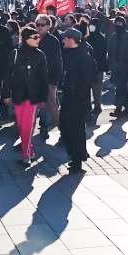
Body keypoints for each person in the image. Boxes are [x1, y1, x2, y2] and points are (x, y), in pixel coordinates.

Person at [4, 25, 49, 164]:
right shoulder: (15, 53)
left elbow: (44, 78)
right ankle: (30, 149)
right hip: (18, 95)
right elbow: (7, 76)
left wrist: (44, 97)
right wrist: (5, 94)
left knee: (28, 126)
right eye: (34, 37)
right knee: (21, 125)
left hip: (33, 96)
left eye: (38, 37)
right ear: (25, 39)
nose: (38, 39)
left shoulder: (40, 55)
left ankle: (26, 155)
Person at [58, 28, 95, 173]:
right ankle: (75, 154)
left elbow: (89, 78)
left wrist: (75, 87)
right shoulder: (66, 53)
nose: (62, 41)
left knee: (76, 130)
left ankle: (77, 160)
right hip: (68, 96)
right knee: (65, 126)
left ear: (71, 39)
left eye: (65, 38)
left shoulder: (84, 55)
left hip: (79, 98)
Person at [34, 15, 62, 133]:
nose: (40, 27)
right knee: (34, 106)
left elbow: (55, 61)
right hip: (35, 78)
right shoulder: (34, 38)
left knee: (51, 105)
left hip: (49, 78)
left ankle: (64, 131)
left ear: (48, 26)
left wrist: (55, 80)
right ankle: (29, 135)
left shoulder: (52, 40)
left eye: (42, 25)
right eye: (38, 25)